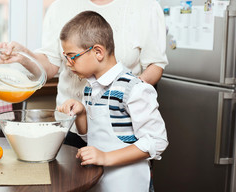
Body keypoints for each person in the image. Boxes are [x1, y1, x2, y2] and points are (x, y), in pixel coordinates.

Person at [0, 0, 168, 147]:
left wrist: (123, 95)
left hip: (121, 127)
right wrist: (24, 56)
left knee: (122, 177)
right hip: (70, 126)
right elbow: (51, 66)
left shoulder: (145, 6)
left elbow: (155, 66)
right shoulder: (62, 6)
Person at [56, 10, 168, 192]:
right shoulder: (90, 86)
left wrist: (106, 157)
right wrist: (82, 113)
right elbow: (90, 137)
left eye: (72, 56)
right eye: (65, 57)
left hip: (129, 184)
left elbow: (157, 141)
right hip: (100, 182)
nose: (68, 63)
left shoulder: (133, 89)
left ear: (98, 52)